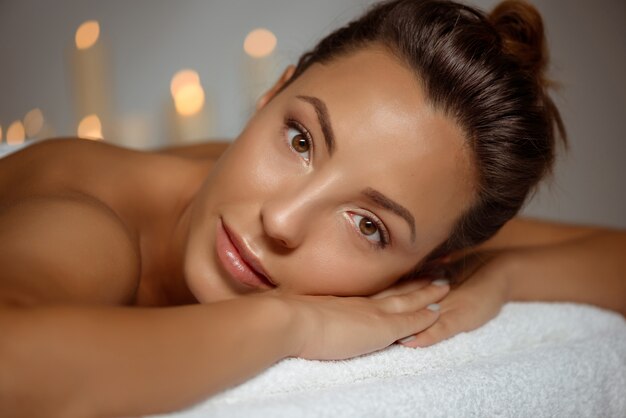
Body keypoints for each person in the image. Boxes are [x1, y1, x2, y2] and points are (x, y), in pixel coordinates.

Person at [0, 0, 624, 416]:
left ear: (426, 261)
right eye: (301, 140)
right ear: (275, 89)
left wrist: (501, 277)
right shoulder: (85, 221)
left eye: (368, 225)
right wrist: (292, 324)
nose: (282, 220)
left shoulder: (434, 246)